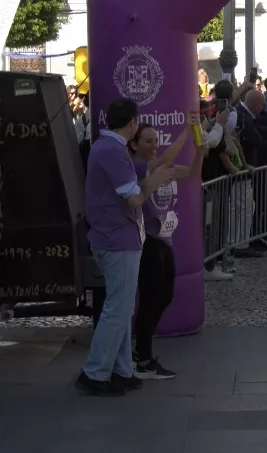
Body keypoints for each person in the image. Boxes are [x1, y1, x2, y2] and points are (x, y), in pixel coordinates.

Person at [77, 98, 175, 396]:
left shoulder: (108, 148)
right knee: (118, 309)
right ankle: (95, 372)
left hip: (119, 237)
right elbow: (133, 198)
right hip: (116, 239)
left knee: (122, 306)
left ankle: (120, 369)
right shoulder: (111, 150)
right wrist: (154, 182)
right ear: (132, 122)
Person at [128, 112, 205, 379]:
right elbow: (167, 159)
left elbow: (192, 173)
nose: (153, 145)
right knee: (150, 298)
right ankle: (143, 357)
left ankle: (141, 350)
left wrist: (200, 151)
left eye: (155, 140)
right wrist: (187, 130)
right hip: (141, 239)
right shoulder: (137, 166)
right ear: (135, 144)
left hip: (157, 237)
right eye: (147, 141)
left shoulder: (155, 167)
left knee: (165, 295)